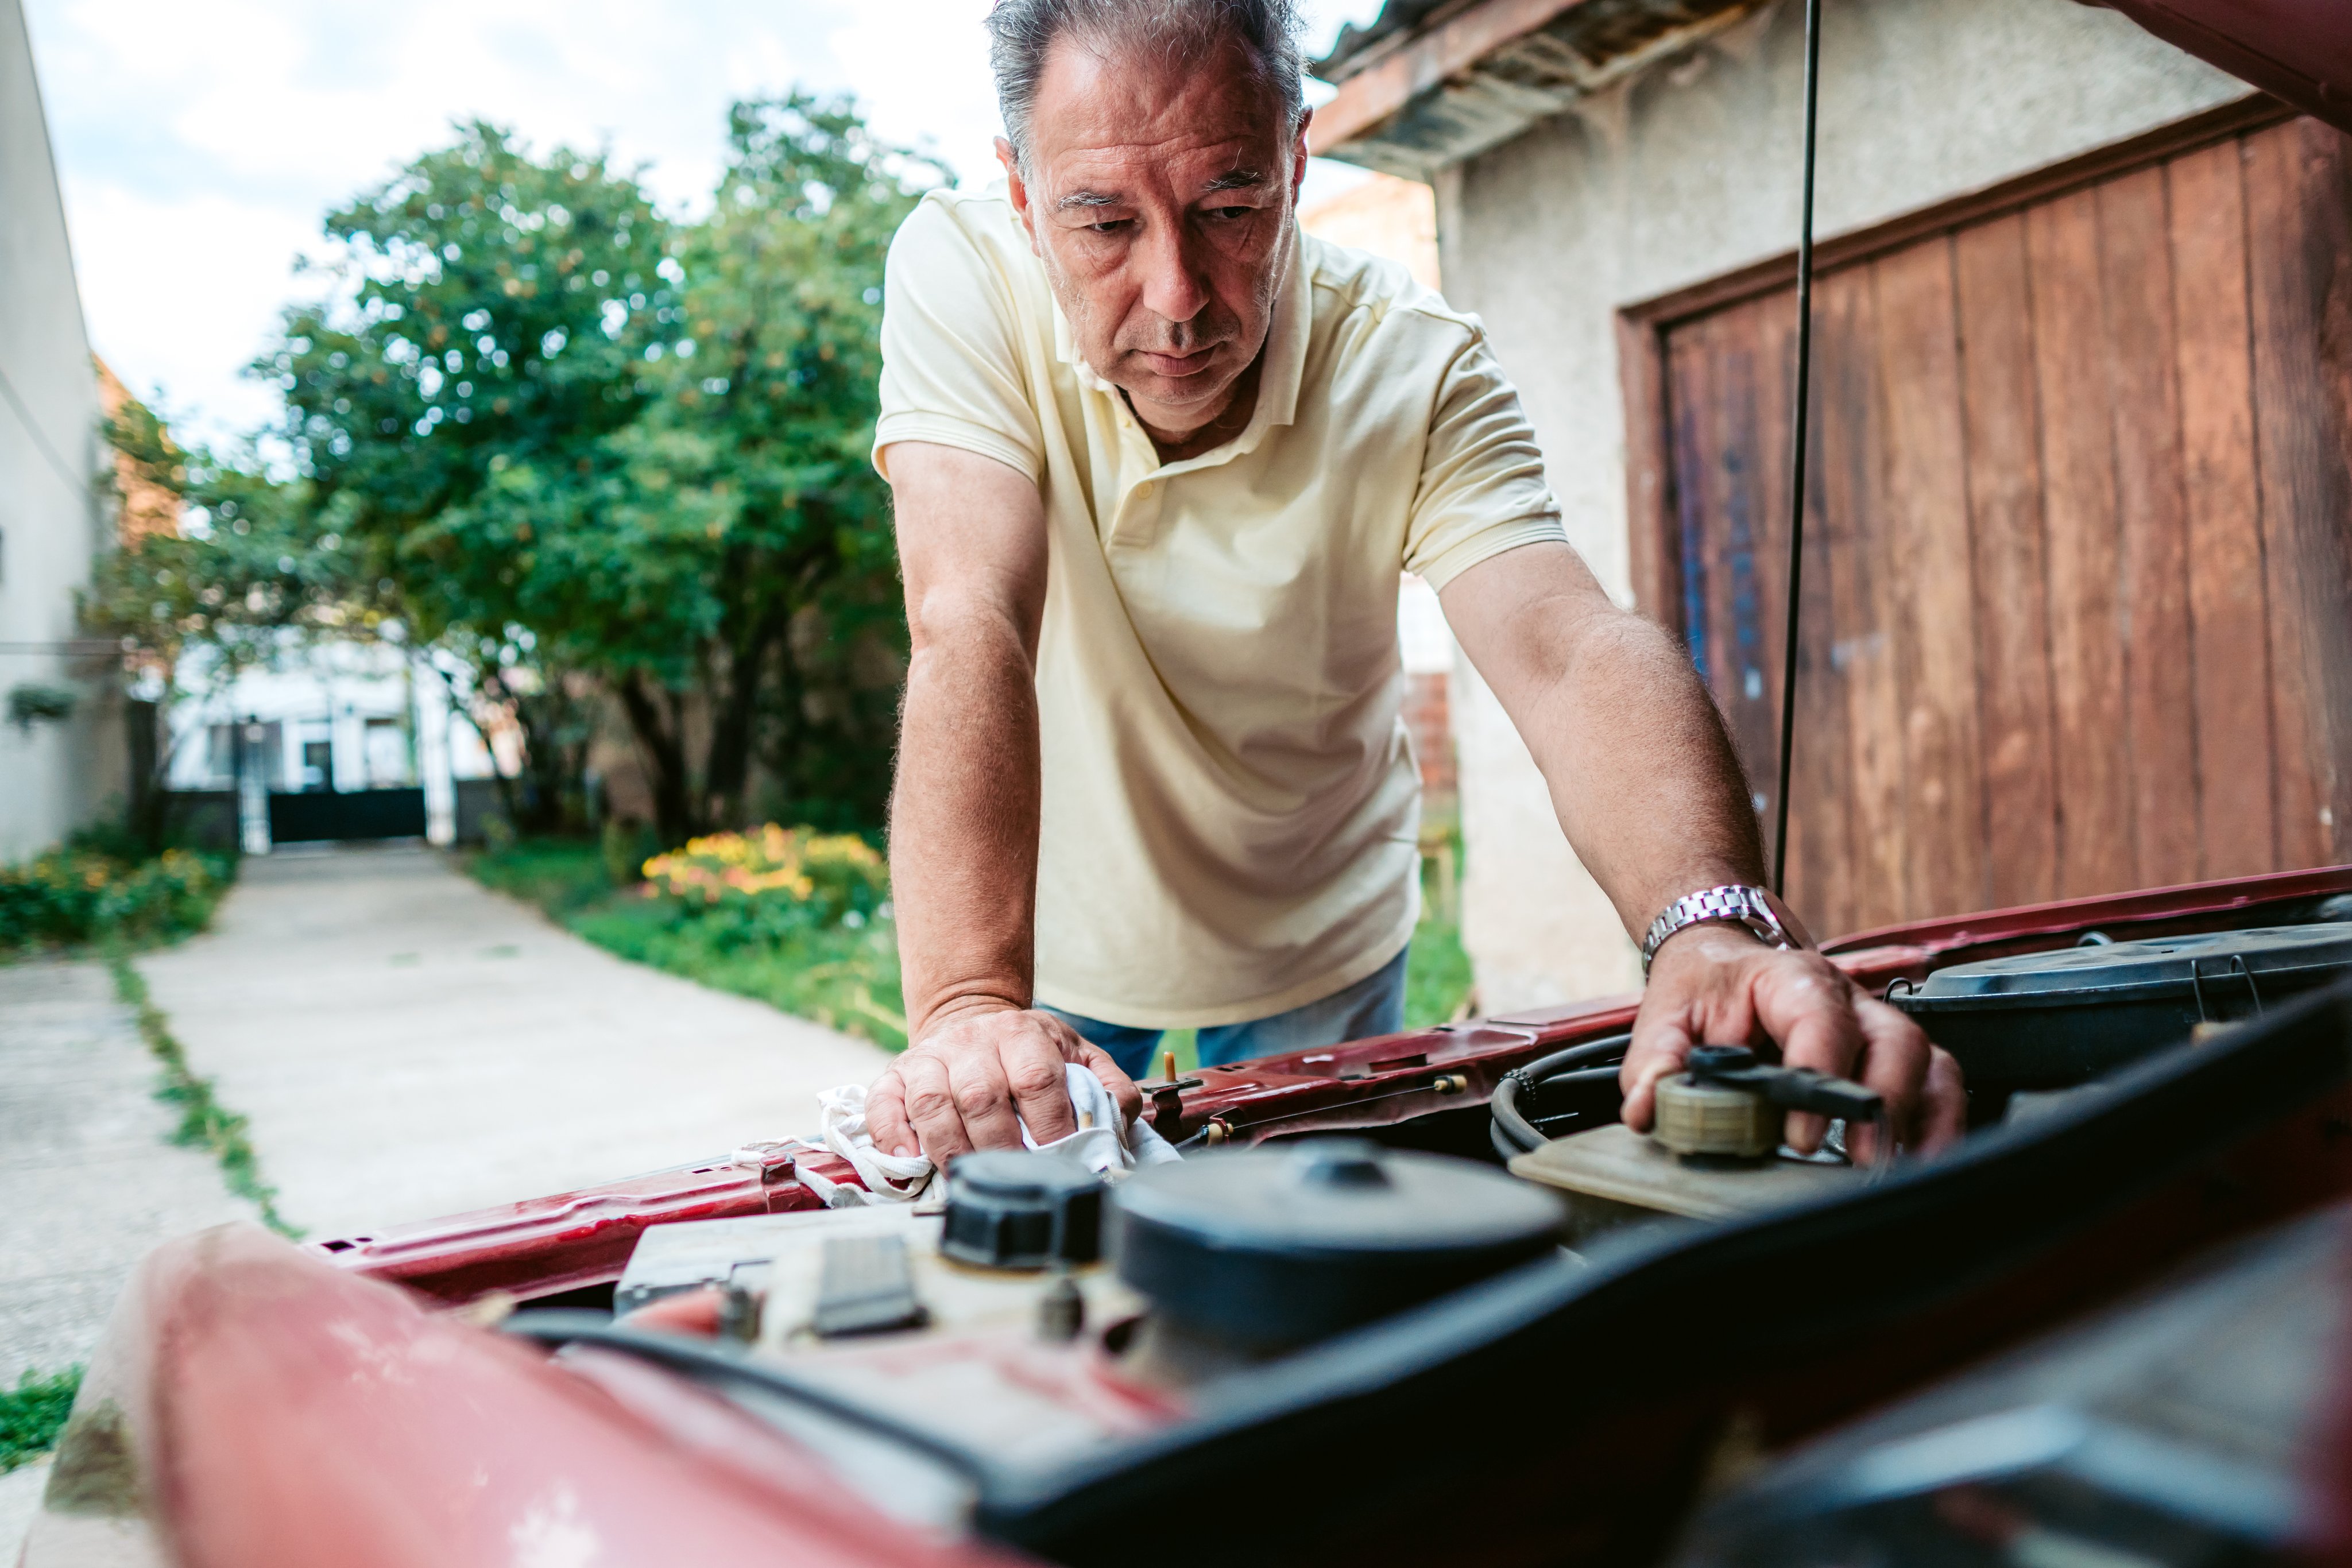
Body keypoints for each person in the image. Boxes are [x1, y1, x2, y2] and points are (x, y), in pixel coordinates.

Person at [864, 0, 1965, 1165]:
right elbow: (967, 611)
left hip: (1316, 935)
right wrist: (969, 1005)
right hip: (1050, 941)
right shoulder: (961, 269)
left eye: (1230, 209)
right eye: (1101, 225)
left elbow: (1564, 647)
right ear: (1022, 195)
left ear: (1295, 160)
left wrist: (1710, 925)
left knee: (1318, 1268)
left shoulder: (1414, 361)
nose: (1176, 294)